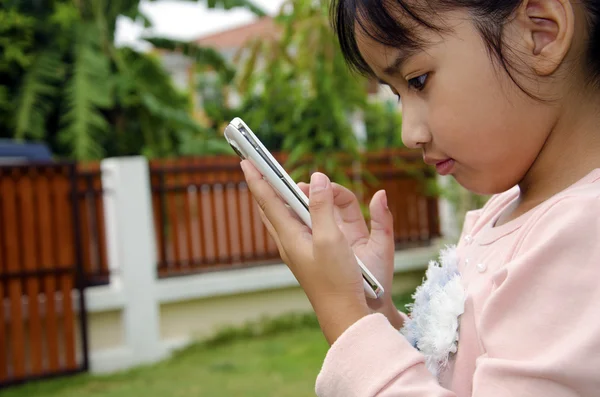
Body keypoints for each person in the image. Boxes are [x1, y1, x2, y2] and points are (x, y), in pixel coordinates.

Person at [239, 0, 600, 395]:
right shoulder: (505, 213)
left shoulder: (584, 232)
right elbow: (453, 376)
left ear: (540, 32)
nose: (409, 133)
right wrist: (371, 308)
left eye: (417, 81)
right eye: (397, 95)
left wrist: (345, 319)